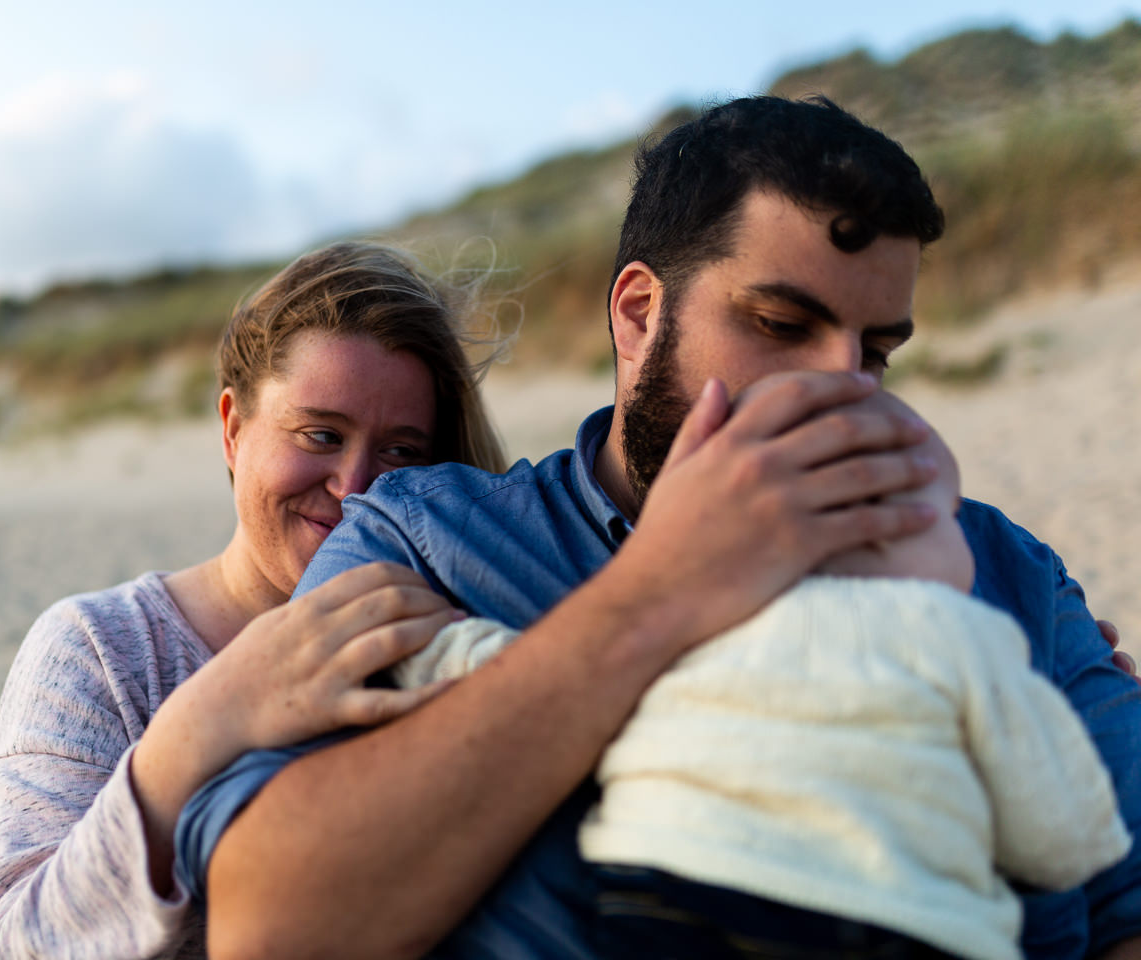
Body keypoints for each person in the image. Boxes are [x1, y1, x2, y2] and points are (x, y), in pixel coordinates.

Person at [178, 96, 1141, 960]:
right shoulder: (432, 546)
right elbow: (270, 923)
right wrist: (659, 594)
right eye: (780, 324)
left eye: (876, 352)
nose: (840, 389)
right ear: (639, 315)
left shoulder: (1002, 571)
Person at [391, 390, 1131, 960]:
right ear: (898, 532)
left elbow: (539, 666)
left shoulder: (702, 611)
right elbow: (1061, 836)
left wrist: (440, 650)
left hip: (665, 892)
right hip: (891, 924)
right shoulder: (968, 635)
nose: (966, 536)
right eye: (944, 517)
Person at [0, 241, 508, 960]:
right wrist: (211, 716)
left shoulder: (456, 635)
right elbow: (13, 947)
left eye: (400, 452)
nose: (355, 486)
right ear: (232, 429)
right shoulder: (99, 650)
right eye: (321, 434)